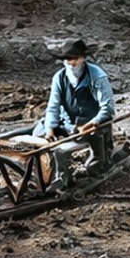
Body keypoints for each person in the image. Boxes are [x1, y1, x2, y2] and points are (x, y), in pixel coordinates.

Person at [35, 38, 116, 184]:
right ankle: (49, 175)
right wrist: (50, 130)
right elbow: (53, 106)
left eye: (75, 59)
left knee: (94, 166)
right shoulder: (59, 78)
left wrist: (91, 124)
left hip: (92, 124)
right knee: (39, 132)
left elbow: (107, 108)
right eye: (68, 60)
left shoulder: (97, 76)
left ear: (83, 59)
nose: (71, 63)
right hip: (69, 123)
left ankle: (100, 161)